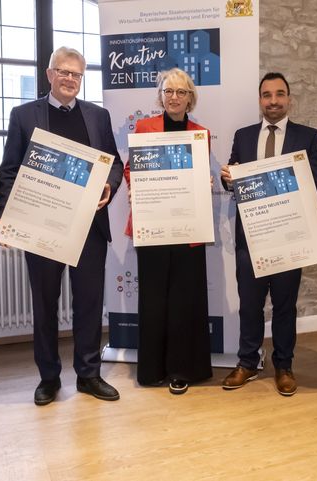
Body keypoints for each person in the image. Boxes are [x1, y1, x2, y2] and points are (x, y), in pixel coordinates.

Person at [0, 47, 123, 406]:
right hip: (42, 227)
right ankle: (48, 378)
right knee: (45, 304)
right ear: (50, 75)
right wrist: (5, 212)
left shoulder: (98, 115)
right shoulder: (24, 115)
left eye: (76, 74)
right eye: (63, 72)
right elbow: (9, 170)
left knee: (88, 304)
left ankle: (88, 374)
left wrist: (110, 185)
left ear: (82, 79)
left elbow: (113, 163)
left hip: (89, 229)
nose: (69, 79)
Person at [220, 72, 317, 396]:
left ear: (289, 99)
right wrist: (227, 178)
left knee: (285, 305)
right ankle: (247, 362)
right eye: (267, 95)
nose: (273, 101)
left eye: (279, 94)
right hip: (251, 237)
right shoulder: (243, 136)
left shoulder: (308, 137)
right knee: (250, 304)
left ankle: (284, 366)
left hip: (291, 236)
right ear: (260, 100)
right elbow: (233, 181)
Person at [123, 68, 213, 395]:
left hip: (188, 228)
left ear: (190, 97)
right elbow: (131, 168)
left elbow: (202, 176)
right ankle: (151, 370)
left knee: (184, 301)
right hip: (154, 226)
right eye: (168, 91)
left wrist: (206, 183)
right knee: (153, 300)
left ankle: (181, 369)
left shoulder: (200, 133)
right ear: (160, 95)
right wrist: (135, 186)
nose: (174, 97)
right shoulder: (145, 128)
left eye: (181, 92)